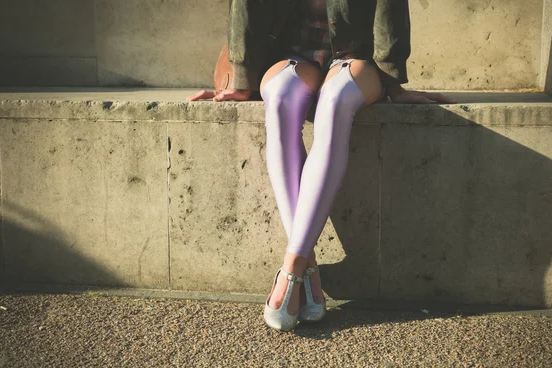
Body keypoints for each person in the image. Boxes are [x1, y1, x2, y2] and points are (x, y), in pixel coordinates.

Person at [187, 0, 455, 332]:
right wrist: (242, 80)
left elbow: (390, 11)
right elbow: (245, 8)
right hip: (289, 53)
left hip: (355, 57)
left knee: (335, 101)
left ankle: (293, 267)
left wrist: (394, 84)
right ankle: (307, 269)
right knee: (281, 99)